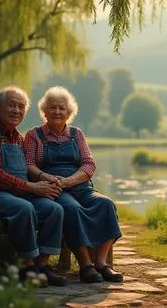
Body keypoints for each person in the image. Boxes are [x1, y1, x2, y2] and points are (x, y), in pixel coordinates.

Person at [0, 86, 67, 287]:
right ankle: (28, 266)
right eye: (11, 105)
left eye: (21, 107)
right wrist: (33, 188)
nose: (16, 110)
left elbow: (27, 169)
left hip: (16, 194)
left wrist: (45, 179)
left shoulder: (17, 137)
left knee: (54, 209)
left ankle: (41, 266)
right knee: (25, 208)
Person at [24, 86, 123, 283]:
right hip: (54, 188)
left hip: (80, 185)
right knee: (72, 209)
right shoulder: (34, 135)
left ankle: (102, 264)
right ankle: (86, 266)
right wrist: (45, 176)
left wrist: (70, 180)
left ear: (69, 112)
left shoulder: (77, 134)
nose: (57, 112)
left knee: (106, 204)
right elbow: (29, 165)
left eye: (62, 108)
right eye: (52, 107)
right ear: (44, 111)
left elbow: (89, 163)